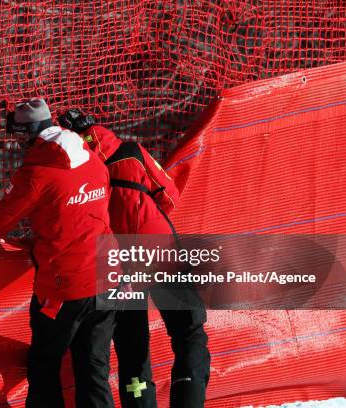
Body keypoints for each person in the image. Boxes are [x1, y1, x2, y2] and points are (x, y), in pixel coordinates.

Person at [58, 109, 211, 408]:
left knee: (131, 345)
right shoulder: (131, 152)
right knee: (188, 330)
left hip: (112, 262)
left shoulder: (74, 173)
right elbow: (170, 195)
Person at [0, 98, 117, 408]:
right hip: (108, 276)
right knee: (94, 369)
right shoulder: (92, 158)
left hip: (66, 286)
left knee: (44, 365)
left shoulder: (37, 173)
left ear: (27, 133)